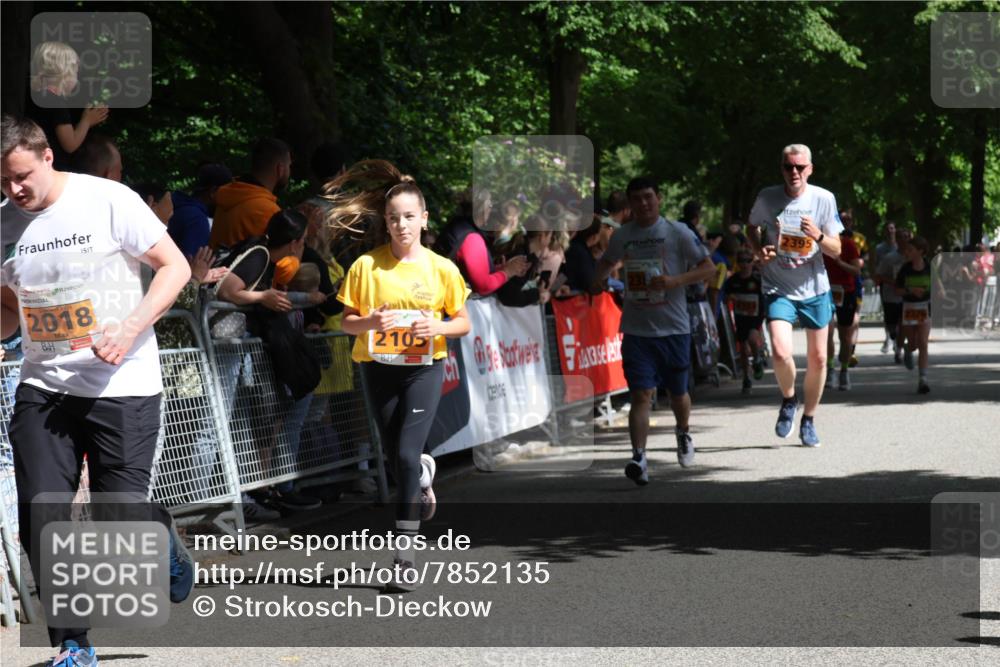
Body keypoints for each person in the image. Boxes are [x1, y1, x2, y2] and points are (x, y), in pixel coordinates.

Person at [0, 114, 193, 666]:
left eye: (20, 177)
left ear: (47, 157)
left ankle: (161, 544)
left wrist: (130, 327)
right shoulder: (2, 225)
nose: (14, 190)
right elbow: (10, 314)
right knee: (43, 511)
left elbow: (174, 268)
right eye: (2, 182)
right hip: (44, 386)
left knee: (119, 526)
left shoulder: (108, 200)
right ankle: (73, 644)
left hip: (122, 383)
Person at [332, 161, 471, 591]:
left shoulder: (441, 268)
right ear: (385, 222)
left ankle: (405, 554)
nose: (401, 224)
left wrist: (438, 328)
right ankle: (423, 476)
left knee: (407, 455)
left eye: (409, 216)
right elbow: (346, 324)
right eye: (393, 218)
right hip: (378, 369)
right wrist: (371, 322)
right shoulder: (365, 267)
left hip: (423, 370)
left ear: (424, 219)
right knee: (396, 457)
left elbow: (462, 321)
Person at [592, 177, 715, 481]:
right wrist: (599, 277)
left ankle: (683, 432)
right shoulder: (623, 236)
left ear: (658, 198)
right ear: (630, 204)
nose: (643, 204)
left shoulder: (677, 232)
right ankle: (639, 458)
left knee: (677, 394)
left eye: (648, 197)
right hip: (636, 330)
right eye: (637, 199)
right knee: (641, 395)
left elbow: (709, 268)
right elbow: (605, 264)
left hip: (673, 328)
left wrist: (675, 281)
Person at [215, 209, 327, 512]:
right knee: (221, 422)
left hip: (237, 347)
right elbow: (228, 290)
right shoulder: (260, 255)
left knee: (243, 420)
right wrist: (262, 298)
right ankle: (218, 501)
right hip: (226, 344)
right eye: (303, 241)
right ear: (294, 243)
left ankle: (253, 492)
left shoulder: (265, 257)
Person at [746, 144, 843, 447]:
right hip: (778, 286)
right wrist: (758, 249)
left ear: (810, 169)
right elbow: (751, 228)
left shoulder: (823, 199)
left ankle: (809, 419)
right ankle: (789, 399)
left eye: (800, 167)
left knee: (818, 358)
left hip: (814, 289)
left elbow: (836, 249)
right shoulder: (767, 197)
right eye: (789, 167)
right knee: (779, 351)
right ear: (782, 169)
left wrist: (817, 235)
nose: (794, 173)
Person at [25, 41, 108, 171]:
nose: (76, 79)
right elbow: (70, 144)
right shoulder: (56, 104)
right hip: (52, 169)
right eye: (74, 73)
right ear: (64, 74)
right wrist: (86, 121)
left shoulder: (34, 97)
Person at [433, 187, 528, 296]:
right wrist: (508, 272)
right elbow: (483, 286)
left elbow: (473, 272)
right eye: (489, 205)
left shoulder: (459, 225)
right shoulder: (472, 238)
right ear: (482, 209)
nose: (490, 209)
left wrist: (502, 268)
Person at [209, 137, 291, 249]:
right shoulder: (267, 210)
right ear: (280, 169)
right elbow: (278, 258)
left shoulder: (228, 194)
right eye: (289, 166)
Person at [823, 227, 863, 390]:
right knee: (828, 332)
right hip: (826, 292)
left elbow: (856, 270)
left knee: (845, 336)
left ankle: (844, 371)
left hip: (846, 292)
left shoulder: (848, 244)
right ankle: (831, 369)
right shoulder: (820, 243)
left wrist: (840, 263)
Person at [168, 162, 233, 259]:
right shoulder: (197, 220)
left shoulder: (176, 206)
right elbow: (192, 266)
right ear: (213, 191)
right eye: (227, 194)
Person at [725, 251, 766, 395]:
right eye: (741, 261)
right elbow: (725, 294)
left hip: (755, 316)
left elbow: (766, 295)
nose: (745, 264)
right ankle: (746, 378)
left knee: (753, 338)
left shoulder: (757, 279)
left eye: (748, 261)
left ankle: (756, 359)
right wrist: (730, 297)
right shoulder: (733, 280)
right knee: (742, 348)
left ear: (752, 263)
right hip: (740, 316)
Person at [896, 236, 932, 394]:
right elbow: (897, 290)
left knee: (923, 343)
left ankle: (923, 379)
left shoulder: (930, 267)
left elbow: (939, 286)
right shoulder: (905, 269)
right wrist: (911, 291)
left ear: (921, 252)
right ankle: (907, 348)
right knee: (913, 344)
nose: (907, 252)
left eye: (910, 250)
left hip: (925, 308)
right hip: (909, 308)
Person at [875, 227, 911, 364]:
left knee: (903, 324)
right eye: (902, 237)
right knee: (892, 325)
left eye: (907, 237)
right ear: (898, 239)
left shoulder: (912, 258)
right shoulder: (889, 258)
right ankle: (893, 337)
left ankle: (899, 350)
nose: (905, 240)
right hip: (891, 296)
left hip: (906, 296)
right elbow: (879, 276)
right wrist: (894, 282)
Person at [873, 221, 899, 354]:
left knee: (900, 314)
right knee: (888, 313)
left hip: (901, 285)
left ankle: (897, 341)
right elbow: (876, 267)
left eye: (892, 228)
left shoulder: (901, 247)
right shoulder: (880, 248)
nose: (890, 231)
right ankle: (888, 337)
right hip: (886, 284)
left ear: (895, 230)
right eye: (888, 229)